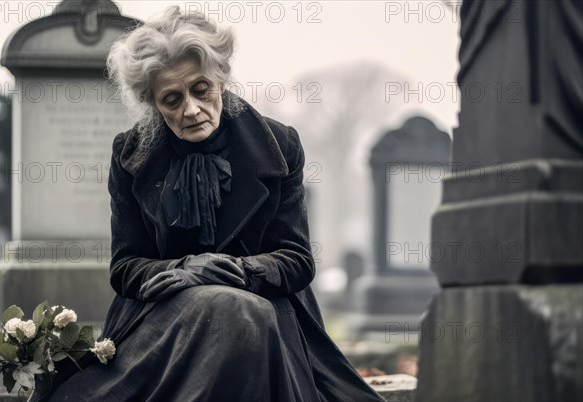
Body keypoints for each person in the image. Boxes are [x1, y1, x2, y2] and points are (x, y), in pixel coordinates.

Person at [42, 6, 385, 402]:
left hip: (264, 306)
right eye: (171, 99)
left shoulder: (280, 145)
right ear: (153, 104)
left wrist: (227, 272)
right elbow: (125, 267)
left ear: (221, 79)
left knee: (241, 313)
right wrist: (184, 268)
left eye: (201, 89)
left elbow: (296, 260)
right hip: (165, 317)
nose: (190, 109)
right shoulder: (131, 155)